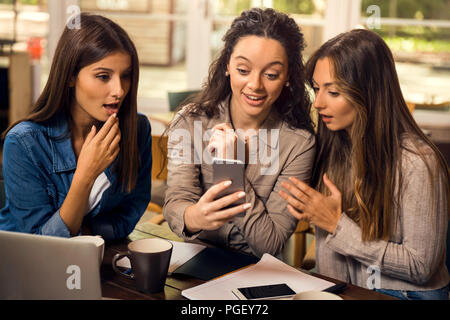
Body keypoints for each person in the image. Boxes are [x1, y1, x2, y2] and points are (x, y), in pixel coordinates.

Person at [279, 29, 449, 300]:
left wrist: (337, 224)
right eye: (316, 88)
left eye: (333, 91)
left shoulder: (418, 162)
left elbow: (421, 267)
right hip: (345, 289)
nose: (319, 103)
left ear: (368, 93)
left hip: (404, 295)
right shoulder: (332, 145)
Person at [163, 8, 315, 258]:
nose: (255, 85)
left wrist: (231, 168)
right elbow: (177, 205)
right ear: (227, 66)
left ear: (287, 77)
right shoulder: (190, 122)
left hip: (255, 270)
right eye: (243, 70)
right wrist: (195, 216)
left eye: (271, 75)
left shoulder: (299, 144)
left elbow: (270, 244)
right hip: (194, 258)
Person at [0, 13, 152, 242]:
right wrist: (85, 175)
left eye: (126, 76)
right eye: (103, 76)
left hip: (95, 257)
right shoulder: (24, 143)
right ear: (70, 76)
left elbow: (132, 207)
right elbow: (43, 245)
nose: (119, 90)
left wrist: (88, 235)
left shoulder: (137, 129)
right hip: (25, 269)